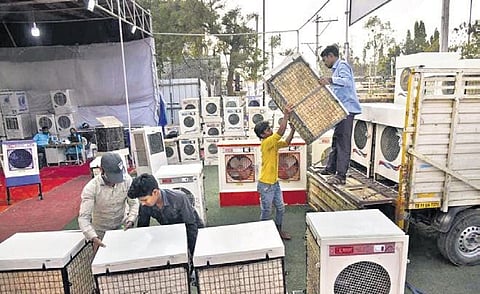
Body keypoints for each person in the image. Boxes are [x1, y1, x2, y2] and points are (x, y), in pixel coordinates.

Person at [127, 173, 204, 255]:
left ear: (155, 192)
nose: (142, 204)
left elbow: (191, 226)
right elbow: (142, 228)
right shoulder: (145, 205)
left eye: (145, 200)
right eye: (140, 201)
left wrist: (191, 253)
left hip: (193, 229)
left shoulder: (179, 198)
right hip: (171, 230)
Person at [318, 44, 362, 185]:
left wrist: (330, 80)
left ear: (331, 56)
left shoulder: (342, 66)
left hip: (347, 110)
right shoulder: (337, 70)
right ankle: (331, 168)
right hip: (341, 110)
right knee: (336, 140)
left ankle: (341, 175)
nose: (325, 63)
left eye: (325, 60)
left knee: (343, 142)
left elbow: (347, 82)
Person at [78, 152, 139, 251]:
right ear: (101, 170)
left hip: (122, 227)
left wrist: (131, 219)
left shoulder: (127, 180)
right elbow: (84, 218)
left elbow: (134, 203)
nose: (114, 181)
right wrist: (93, 237)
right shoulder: (91, 188)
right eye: (112, 177)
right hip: (100, 231)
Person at [254, 104, 295, 241]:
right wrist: (286, 114)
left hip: (273, 183)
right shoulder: (266, 142)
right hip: (266, 185)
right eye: (267, 130)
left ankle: (278, 231)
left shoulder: (272, 143)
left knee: (281, 208)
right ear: (262, 135)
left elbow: (286, 142)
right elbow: (280, 132)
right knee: (266, 211)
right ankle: (264, 234)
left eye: (270, 128)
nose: (270, 130)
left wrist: (293, 130)